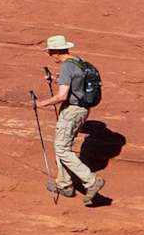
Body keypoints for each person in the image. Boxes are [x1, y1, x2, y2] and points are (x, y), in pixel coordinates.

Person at [38, 35, 104, 203]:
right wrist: (54, 79)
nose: (49, 55)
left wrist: (42, 103)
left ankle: (91, 181)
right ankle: (64, 184)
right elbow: (75, 84)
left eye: (50, 52)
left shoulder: (67, 66)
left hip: (72, 111)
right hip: (82, 110)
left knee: (61, 149)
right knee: (62, 145)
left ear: (55, 52)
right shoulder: (77, 61)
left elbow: (62, 95)